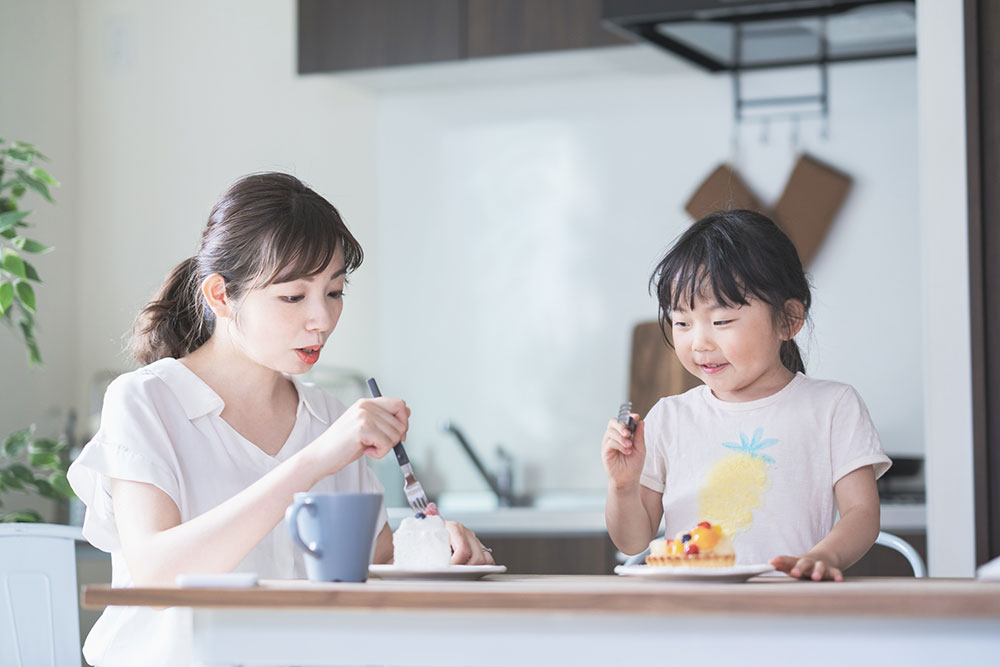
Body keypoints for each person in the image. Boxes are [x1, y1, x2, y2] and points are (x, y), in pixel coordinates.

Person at [67, 172, 494, 667]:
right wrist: (314, 461)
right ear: (221, 296)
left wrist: (435, 550)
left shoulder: (328, 417)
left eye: (334, 292)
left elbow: (372, 567)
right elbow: (158, 575)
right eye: (294, 297)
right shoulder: (146, 400)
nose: (323, 319)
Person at [602, 209, 890, 581]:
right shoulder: (669, 417)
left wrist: (824, 556)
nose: (699, 342)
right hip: (691, 614)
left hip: (790, 607)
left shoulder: (832, 407)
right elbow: (632, 540)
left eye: (721, 321)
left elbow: (862, 513)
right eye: (682, 322)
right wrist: (623, 487)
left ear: (788, 319)